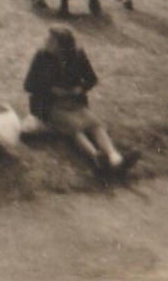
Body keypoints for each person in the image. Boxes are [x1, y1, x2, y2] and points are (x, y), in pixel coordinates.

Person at [22, 27, 140, 178]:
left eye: (51, 40)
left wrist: (80, 89)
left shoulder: (78, 56)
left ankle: (116, 159)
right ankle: (96, 157)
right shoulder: (41, 56)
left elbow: (92, 79)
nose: (46, 42)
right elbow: (28, 85)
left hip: (74, 102)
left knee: (94, 123)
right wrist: (51, 90)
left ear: (62, 45)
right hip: (48, 104)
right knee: (74, 126)